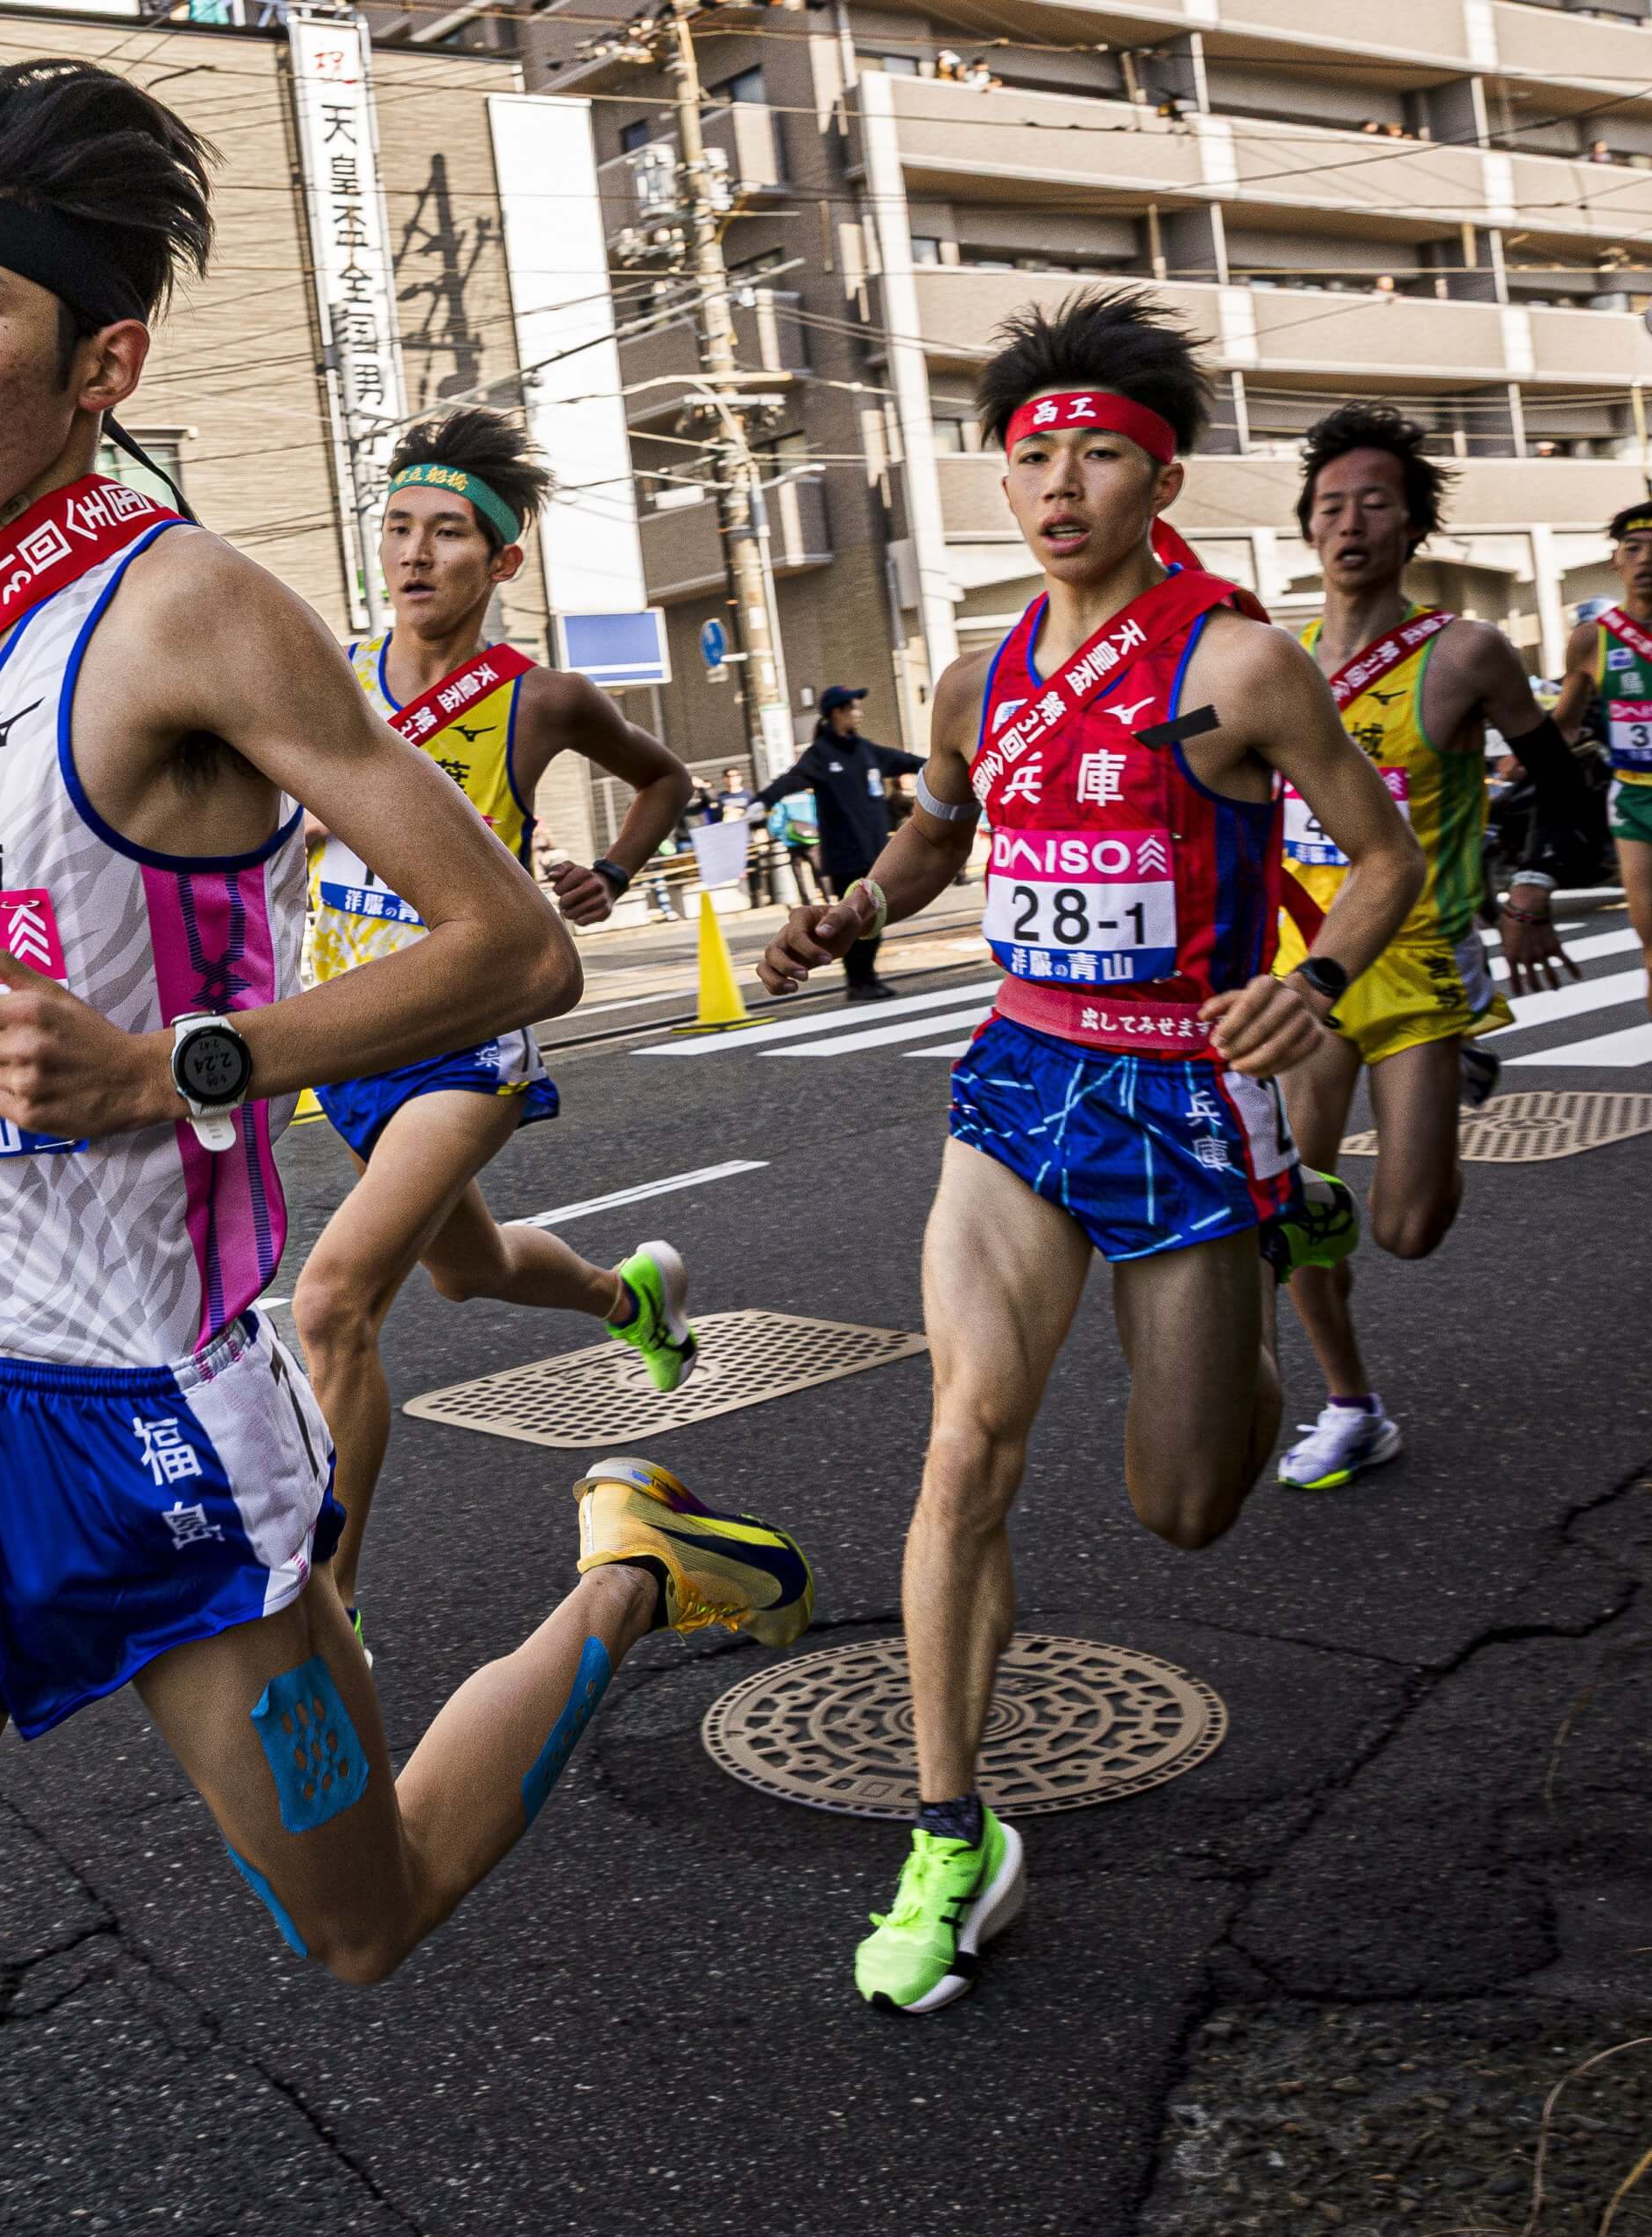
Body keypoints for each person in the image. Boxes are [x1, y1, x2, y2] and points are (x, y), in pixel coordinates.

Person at [0, 61, 812, 2234]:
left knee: (369, 1910)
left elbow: (509, 943)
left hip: (151, 1453)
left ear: (100, 362)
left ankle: (630, 1569)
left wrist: (181, 1071)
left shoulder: (185, 608)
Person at [759, 288, 1423, 2015]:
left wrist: (1316, 978)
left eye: (1093, 456)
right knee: (962, 1444)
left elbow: (1375, 854)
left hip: (1182, 1103)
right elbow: (927, 839)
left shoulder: (1235, 663)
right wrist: (849, 907)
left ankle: (1276, 1258)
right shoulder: (974, 672)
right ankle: (945, 1831)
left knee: (1184, 1503)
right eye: (1028, 456)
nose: (1053, 485)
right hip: (1015, 1086)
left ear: (1159, 477)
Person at [294, 407, 702, 1638]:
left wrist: (613, 876)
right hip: (351, 1028)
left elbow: (668, 778)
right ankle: (629, 1298)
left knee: (330, 1303)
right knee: (463, 1272)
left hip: (469, 1039)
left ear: (504, 564)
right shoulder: (324, 683)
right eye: (399, 530)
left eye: (450, 535)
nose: (416, 556)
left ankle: (332, 1610)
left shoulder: (541, 701)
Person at [1269, 405, 1588, 1492]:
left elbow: (1560, 782)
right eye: (1329, 505)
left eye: (1373, 503)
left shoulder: (1464, 652)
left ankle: (1454, 1074)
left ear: (1411, 529)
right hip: (1303, 968)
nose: (1348, 521)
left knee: (1404, 1228)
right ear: (1307, 528)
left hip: (1415, 962)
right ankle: (1350, 1404)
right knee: (1296, 1208)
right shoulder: (1277, 660)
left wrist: (1532, 884)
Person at [750, 685, 923, 1001]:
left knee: (873, 921)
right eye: (854, 708)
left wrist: (948, 763)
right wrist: (762, 802)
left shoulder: (866, 750)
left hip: (875, 852)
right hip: (845, 855)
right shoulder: (822, 754)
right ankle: (859, 981)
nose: (859, 713)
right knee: (852, 921)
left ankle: (866, 979)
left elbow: (906, 761)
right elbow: (791, 780)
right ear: (837, 713)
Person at [1555, 503, 1652, 1031]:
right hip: (1635, 801)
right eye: (1633, 549)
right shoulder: (1594, 637)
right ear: (1615, 561)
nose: (1646, 560)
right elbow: (1565, 724)